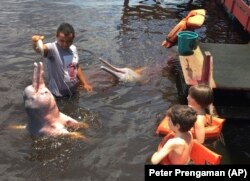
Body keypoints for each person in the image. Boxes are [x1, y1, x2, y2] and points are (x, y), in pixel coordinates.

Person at [32, 22, 93, 98]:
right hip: (57, 94)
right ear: (56, 37)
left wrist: (85, 84)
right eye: (62, 41)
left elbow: (75, 67)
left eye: (69, 41)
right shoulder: (52, 49)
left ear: (73, 38)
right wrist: (36, 44)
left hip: (73, 90)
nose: (65, 44)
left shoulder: (73, 49)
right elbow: (41, 49)